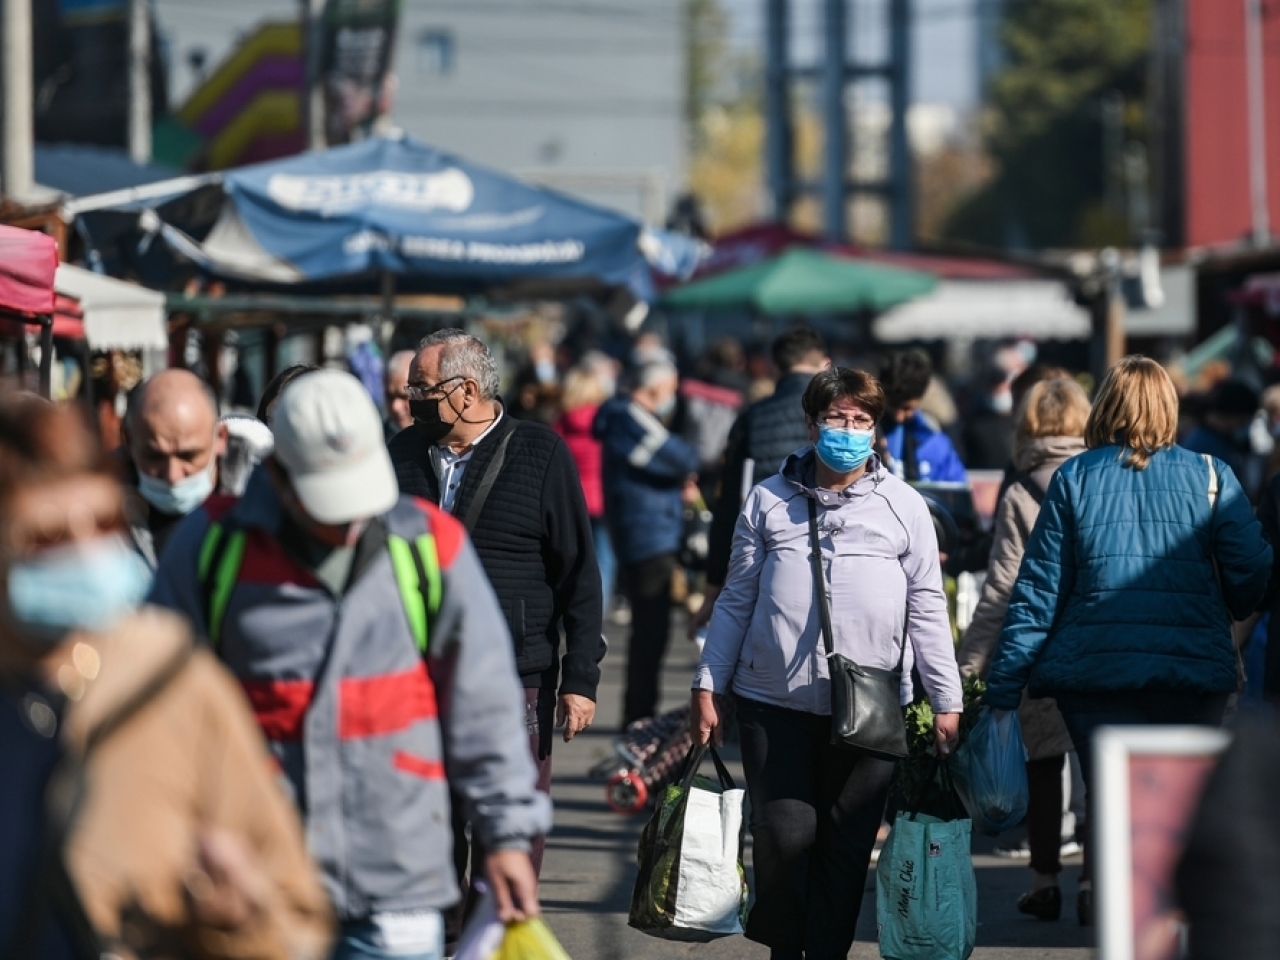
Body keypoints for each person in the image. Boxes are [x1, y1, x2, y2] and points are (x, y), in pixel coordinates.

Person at [151, 370, 550, 960]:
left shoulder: (428, 548)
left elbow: (484, 706)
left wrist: (507, 836)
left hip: (398, 882)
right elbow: (156, 709)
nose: (347, 524)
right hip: (252, 885)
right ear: (280, 477)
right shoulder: (211, 546)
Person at [0, 392, 331, 960]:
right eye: (50, 537)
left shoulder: (178, 680)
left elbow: (299, 918)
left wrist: (238, 919)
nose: (86, 552)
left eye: (105, 522)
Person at [984, 355, 1272, 927]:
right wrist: (1231, 606)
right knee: (1185, 809)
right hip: (1194, 676)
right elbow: (1254, 571)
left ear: (1107, 406)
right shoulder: (1212, 475)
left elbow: (1038, 591)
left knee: (1113, 809)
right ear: (1168, 407)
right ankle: (1175, 923)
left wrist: (1003, 684)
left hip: (1096, 680)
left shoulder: (1075, 478)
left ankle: (1127, 926)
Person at [691, 367, 963, 960]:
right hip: (774, 707)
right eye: (838, 418)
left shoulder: (905, 507)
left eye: (861, 420)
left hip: (871, 709)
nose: (849, 430)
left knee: (843, 854)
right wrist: (708, 683)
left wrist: (947, 698)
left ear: (875, 429)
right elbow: (736, 598)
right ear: (812, 424)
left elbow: (927, 605)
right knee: (784, 847)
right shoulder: (768, 499)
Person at [386, 330, 604, 885]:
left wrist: (580, 677)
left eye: (421, 386)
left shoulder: (539, 451)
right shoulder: (402, 454)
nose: (412, 398)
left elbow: (578, 571)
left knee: (504, 833)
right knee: (428, 828)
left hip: (513, 677)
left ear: (463, 391)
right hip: (416, 675)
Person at [958, 377, 1091, 922]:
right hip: (1093, 640)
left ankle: (1043, 880)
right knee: (1096, 765)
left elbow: (1001, 588)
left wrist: (969, 665)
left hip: (1034, 643)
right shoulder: (1099, 476)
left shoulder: (1019, 492)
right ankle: (1093, 883)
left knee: (1042, 764)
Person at [691, 326, 830, 640]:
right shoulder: (838, 419)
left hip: (765, 555)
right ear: (825, 365)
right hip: (829, 550)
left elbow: (727, 505)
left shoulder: (752, 418)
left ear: (777, 368)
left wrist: (714, 585)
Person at [595, 359, 700, 726]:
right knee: (650, 634)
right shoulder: (629, 415)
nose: (673, 396)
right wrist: (681, 470)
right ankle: (639, 718)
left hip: (644, 528)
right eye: (671, 387)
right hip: (648, 532)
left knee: (650, 634)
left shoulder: (623, 416)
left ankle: (638, 714)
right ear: (655, 386)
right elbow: (678, 455)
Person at [122, 369, 228, 569]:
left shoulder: (264, 520)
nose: (173, 475)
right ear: (129, 442)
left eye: (188, 456)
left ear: (220, 438)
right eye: (155, 457)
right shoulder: (97, 526)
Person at [553, 359, 616, 607]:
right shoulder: (607, 422)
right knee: (604, 559)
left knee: (571, 560)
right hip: (603, 498)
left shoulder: (560, 424)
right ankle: (596, 617)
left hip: (571, 501)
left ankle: (569, 610)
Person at [878, 349, 967, 483]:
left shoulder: (935, 441)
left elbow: (956, 490)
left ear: (921, 400)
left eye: (907, 408)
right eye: (892, 406)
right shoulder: (865, 436)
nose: (899, 417)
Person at [1181, 379, 1260, 497]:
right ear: (1233, 414)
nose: (1243, 426)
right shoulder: (1201, 446)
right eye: (1242, 421)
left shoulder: (1221, 441)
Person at [383, 349, 416, 441]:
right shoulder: (376, 442)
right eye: (390, 397)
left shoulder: (444, 443)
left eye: (404, 396)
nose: (395, 407)